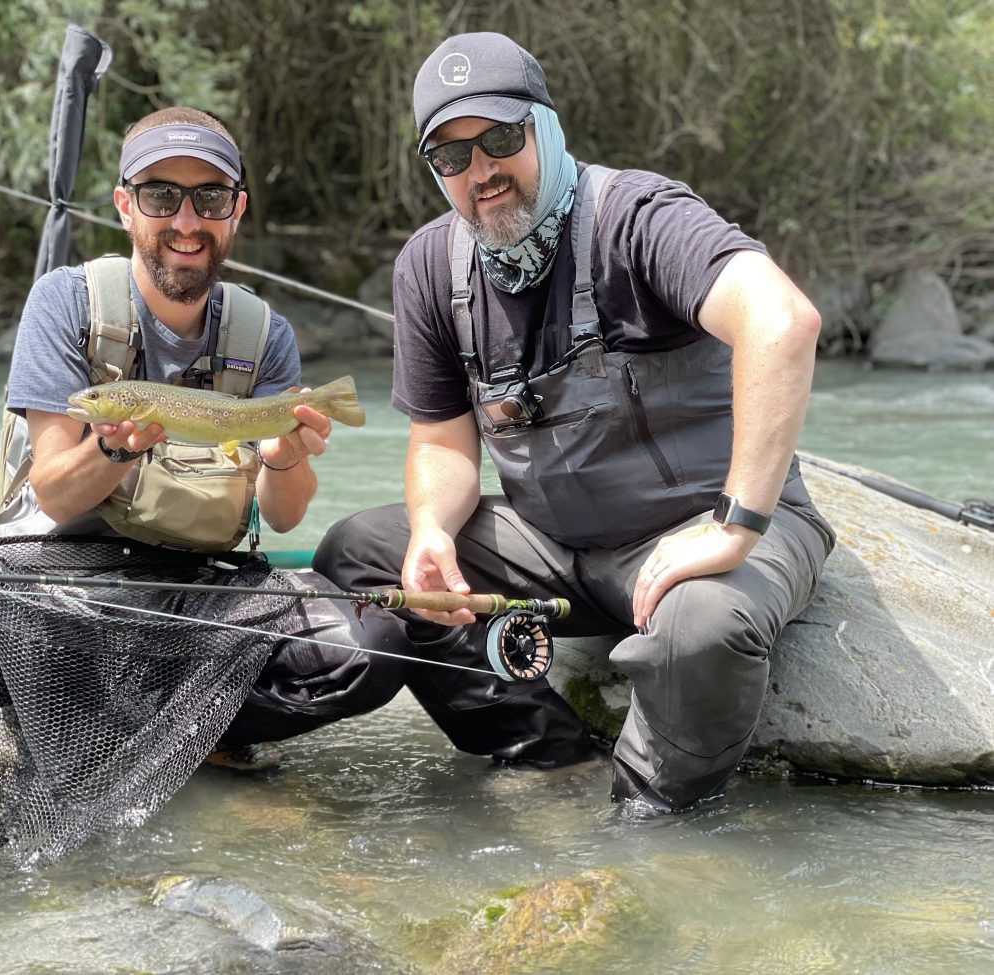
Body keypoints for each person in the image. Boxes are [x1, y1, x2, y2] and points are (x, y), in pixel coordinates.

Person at [0, 106, 411, 863]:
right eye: (161, 197)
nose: (186, 221)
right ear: (125, 206)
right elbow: (53, 493)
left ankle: (196, 729)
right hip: (62, 592)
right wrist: (114, 449)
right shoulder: (66, 306)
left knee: (367, 641)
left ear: (237, 211)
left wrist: (285, 454)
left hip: (197, 592)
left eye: (210, 199)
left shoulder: (265, 338)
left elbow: (282, 517)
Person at [314, 32, 837, 812]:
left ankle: (648, 814)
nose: (480, 171)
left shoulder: (638, 216)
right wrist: (429, 534)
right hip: (558, 553)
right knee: (362, 552)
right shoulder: (429, 266)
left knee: (701, 631)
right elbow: (440, 444)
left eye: (499, 138)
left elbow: (783, 322)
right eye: (451, 157)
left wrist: (735, 523)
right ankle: (548, 754)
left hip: (698, 537)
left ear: (545, 127)